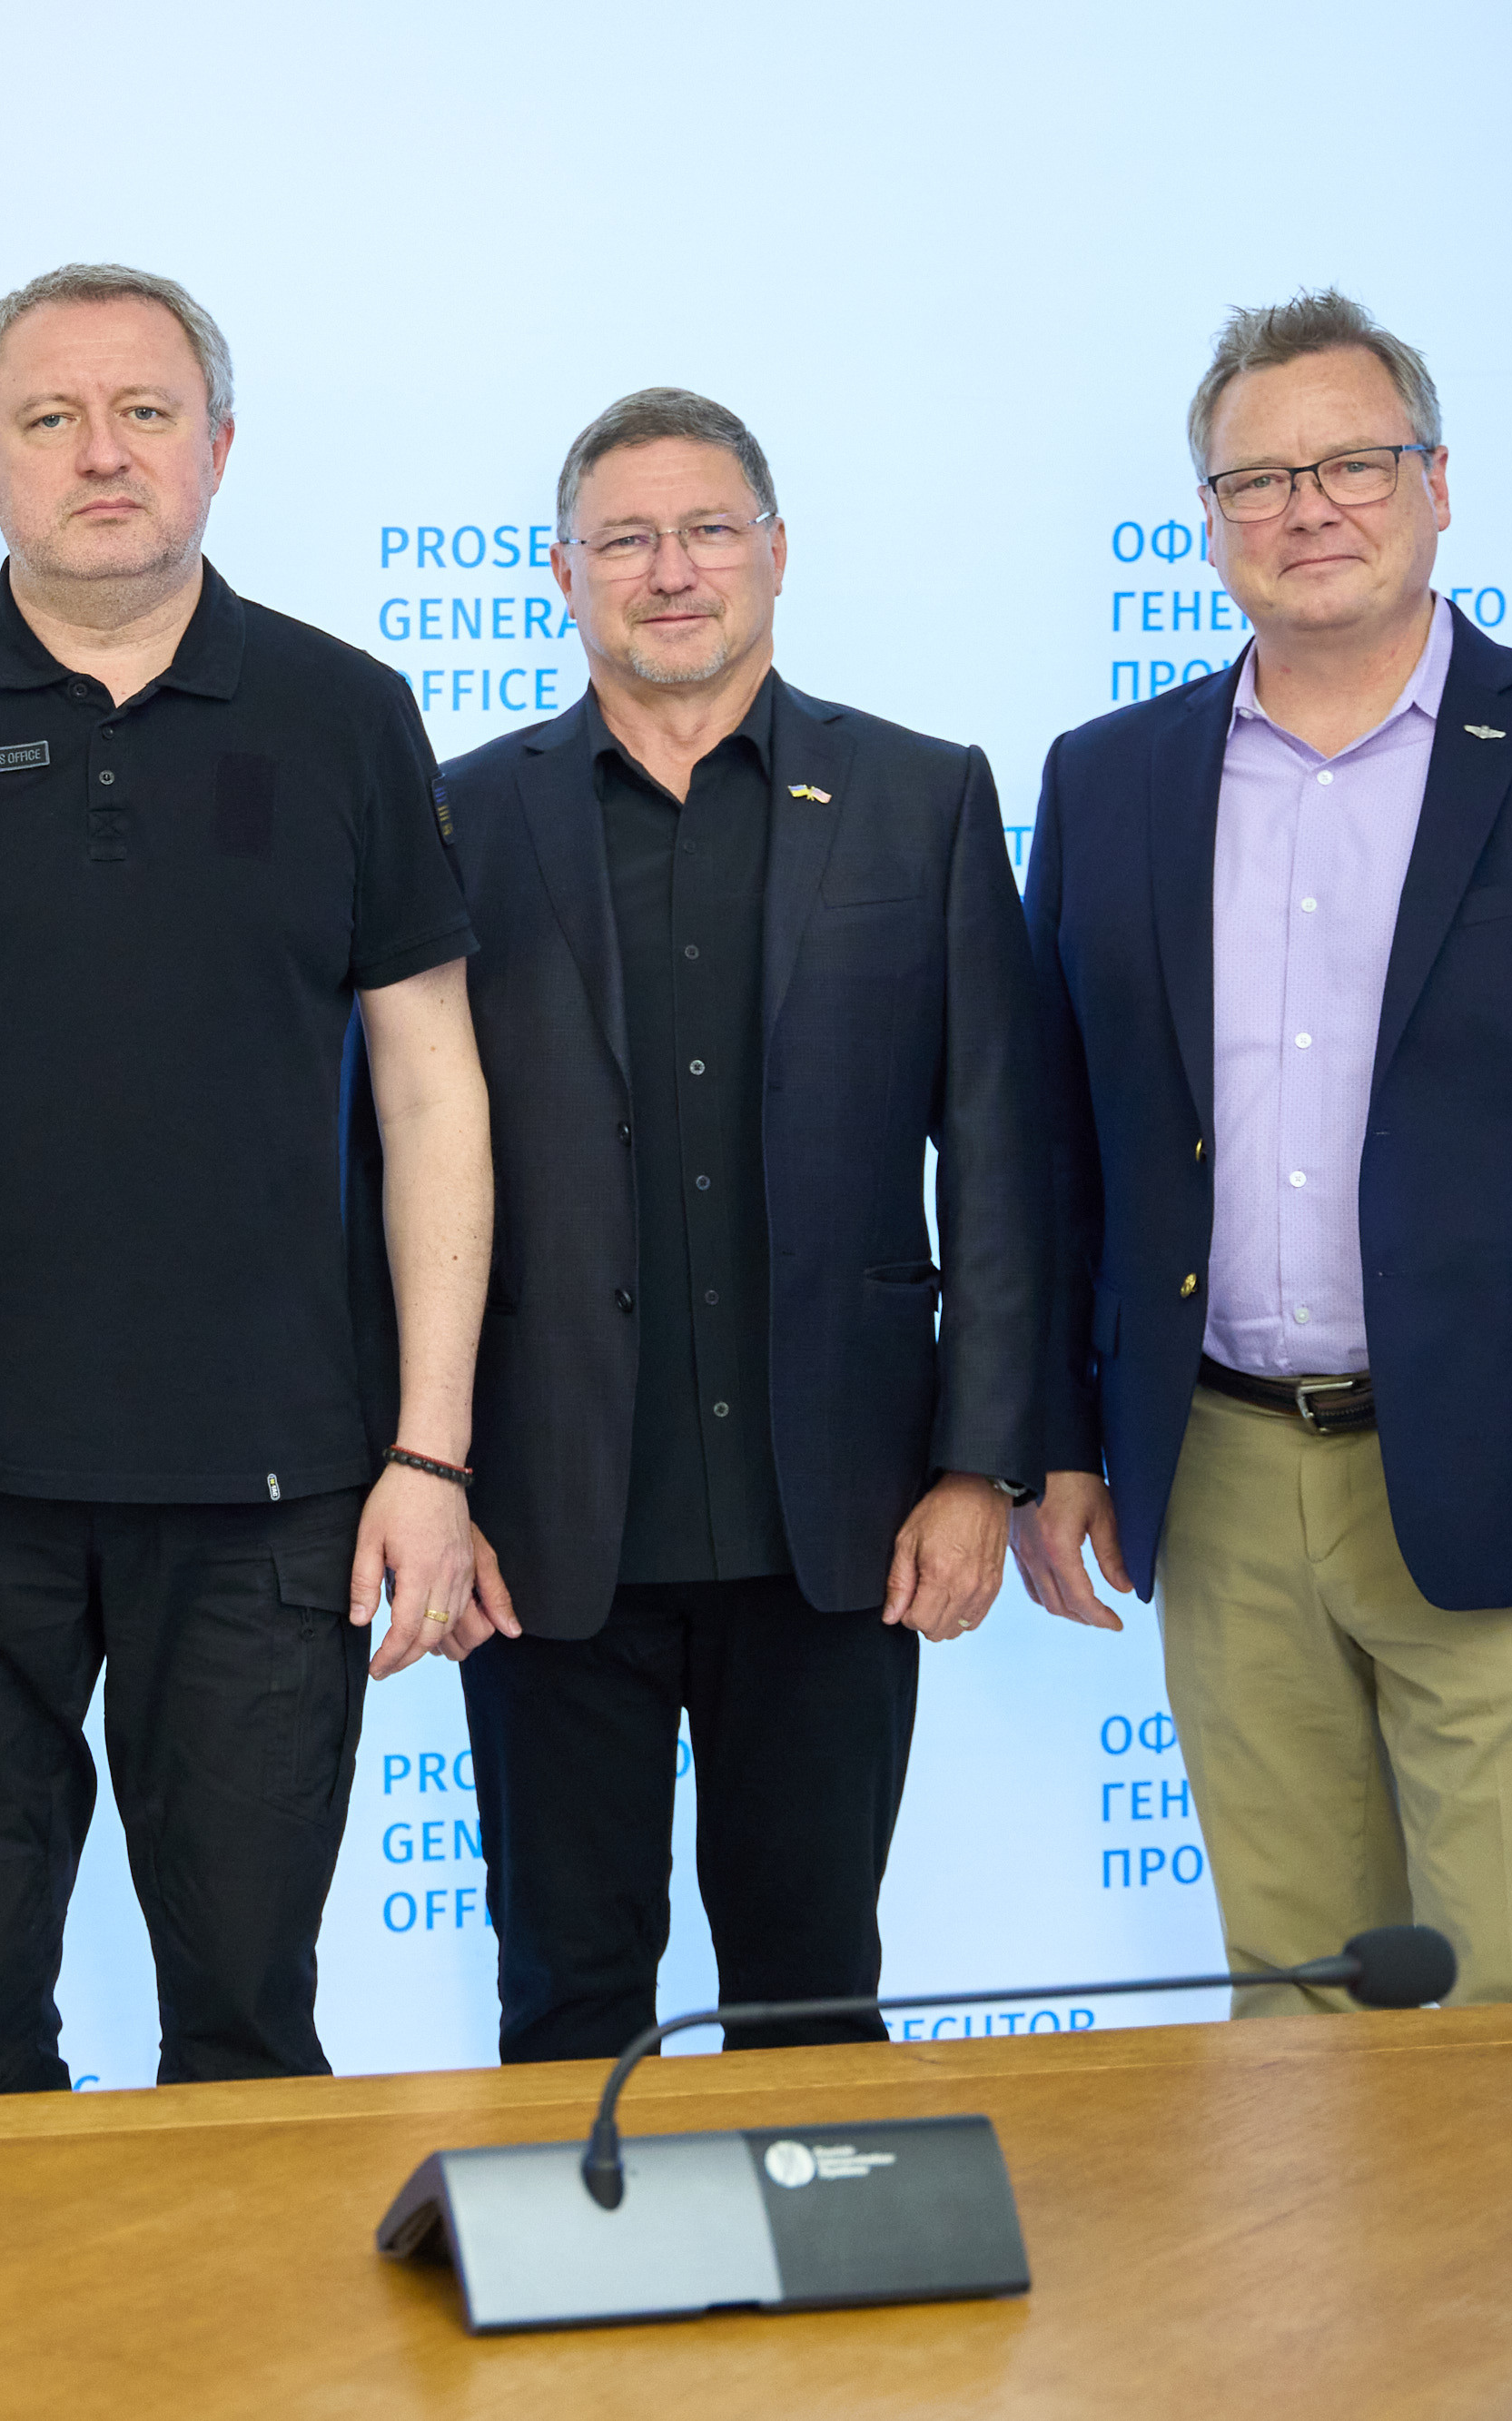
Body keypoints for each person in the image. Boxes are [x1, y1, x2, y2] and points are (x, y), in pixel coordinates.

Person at [0, 263, 491, 2099]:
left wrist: (432, 1457)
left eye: (144, 411)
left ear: (217, 447)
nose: (100, 452)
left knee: (247, 2026)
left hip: (273, 1496)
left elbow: (435, 1096)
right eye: (49, 418)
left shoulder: (345, 714)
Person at [1013, 289, 1512, 2010]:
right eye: (1259, 479)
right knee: (1292, 2005)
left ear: (1437, 483)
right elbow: (1061, 1151)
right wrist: (1051, 1440)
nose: (1308, 509)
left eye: (1352, 463)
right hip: (1219, 1477)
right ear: (1210, 520)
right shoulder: (1110, 778)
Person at [430, 389, 1044, 2062]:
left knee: (815, 1994)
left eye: (708, 530)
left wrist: (981, 1468)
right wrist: (427, 1479)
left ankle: (811, 2250)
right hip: (545, 1530)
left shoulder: (921, 798)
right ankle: (585, 2245)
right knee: (566, 1999)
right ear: (563, 574)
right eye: (625, 538)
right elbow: (382, 1176)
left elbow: (1004, 1156)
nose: (672, 569)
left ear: (776, 552)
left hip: (842, 1526)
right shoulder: (459, 821)